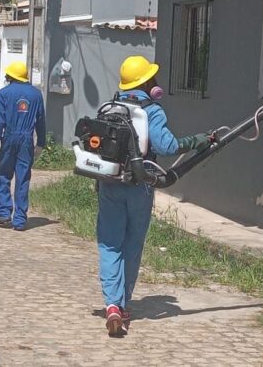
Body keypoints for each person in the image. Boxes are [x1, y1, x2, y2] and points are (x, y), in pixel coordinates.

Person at [97, 56, 212, 336]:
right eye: (152, 78)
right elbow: (167, 145)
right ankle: (124, 306)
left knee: (110, 244)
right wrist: (196, 140)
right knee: (132, 245)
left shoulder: (109, 107)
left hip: (110, 184)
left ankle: (112, 305)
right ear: (147, 83)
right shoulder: (152, 110)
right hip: (140, 186)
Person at [0, 61, 46, 231]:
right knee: (23, 178)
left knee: (4, 176)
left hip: (10, 137)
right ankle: (20, 220)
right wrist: (40, 143)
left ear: (11, 76)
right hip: (27, 140)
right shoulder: (36, 95)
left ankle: (4, 214)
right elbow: (41, 121)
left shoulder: (4, 93)